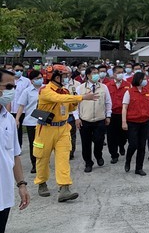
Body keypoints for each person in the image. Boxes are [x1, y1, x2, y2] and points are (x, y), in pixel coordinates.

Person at [34, 64, 97, 201]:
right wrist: (81, 97)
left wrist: (74, 101)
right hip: (46, 129)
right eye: (64, 76)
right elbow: (58, 99)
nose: (67, 78)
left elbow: (68, 108)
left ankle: (64, 188)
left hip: (63, 128)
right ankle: (42, 182)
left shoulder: (65, 91)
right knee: (42, 158)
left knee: (63, 159)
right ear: (56, 77)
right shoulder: (45, 90)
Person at [0, 69, 30, 233]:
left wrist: (22, 185)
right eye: (8, 86)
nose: (12, 91)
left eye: (14, 87)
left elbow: (14, 155)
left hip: (3, 197)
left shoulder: (9, 120)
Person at [75, 67, 112, 173]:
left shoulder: (104, 87)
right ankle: (88, 162)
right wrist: (77, 118)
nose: (97, 75)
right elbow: (75, 105)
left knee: (99, 140)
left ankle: (98, 155)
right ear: (88, 75)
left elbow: (108, 102)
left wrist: (108, 115)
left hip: (100, 119)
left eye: (97, 73)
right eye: (94, 73)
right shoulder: (81, 88)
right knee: (86, 143)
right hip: (85, 119)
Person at [122, 72, 149, 176]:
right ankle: (128, 160)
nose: (145, 80)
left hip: (145, 121)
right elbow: (124, 107)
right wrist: (124, 122)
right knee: (133, 144)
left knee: (142, 146)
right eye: (144, 78)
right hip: (132, 122)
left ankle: (139, 168)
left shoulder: (147, 91)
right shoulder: (129, 92)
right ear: (138, 80)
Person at [15, 70, 44, 173]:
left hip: (45, 121)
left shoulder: (46, 89)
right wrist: (17, 119)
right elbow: (21, 106)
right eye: (37, 78)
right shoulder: (27, 91)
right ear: (31, 81)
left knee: (44, 143)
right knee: (33, 144)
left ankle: (43, 162)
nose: (40, 80)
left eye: (40, 77)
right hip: (31, 121)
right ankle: (34, 164)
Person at [105, 65, 131, 164]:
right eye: (118, 72)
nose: (120, 74)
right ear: (113, 74)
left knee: (123, 135)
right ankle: (114, 155)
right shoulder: (108, 85)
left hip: (124, 114)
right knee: (111, 136)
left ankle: (122, 145)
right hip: (111, 113)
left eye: (121, 72)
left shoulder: (128, 85)